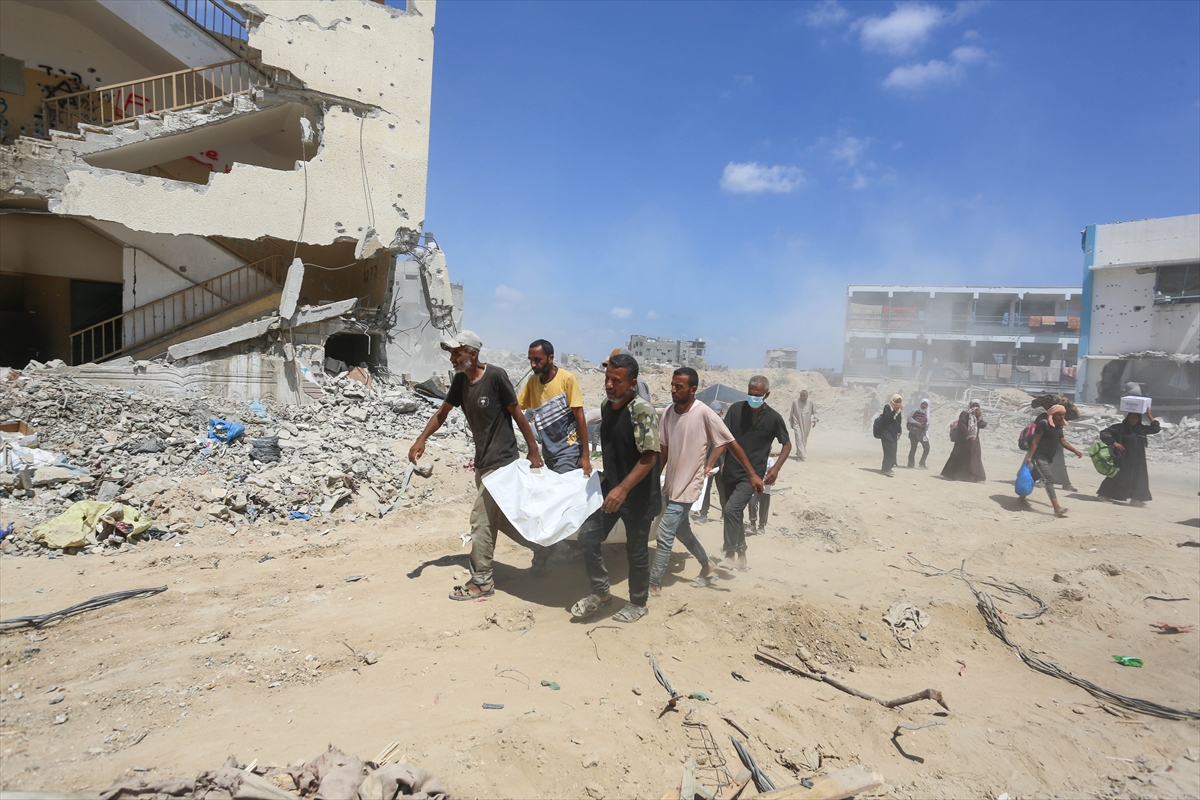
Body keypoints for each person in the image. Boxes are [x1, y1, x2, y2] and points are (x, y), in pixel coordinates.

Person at [408, 331, 548, 600]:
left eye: (456, 353)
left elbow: (517, 414)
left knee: (480, 518)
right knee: (502, 519)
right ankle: (542, 547)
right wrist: (421, 439)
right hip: (483, 462)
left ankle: (482, 580)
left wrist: (532, 450)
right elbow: (443, 412)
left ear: (472, 354)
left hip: (503, 462)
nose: (452, 358)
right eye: (450, 353)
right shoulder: (461, 380)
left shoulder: (495, 376)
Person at [649, 368, 762, 597]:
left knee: (664, 532)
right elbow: (664, 450)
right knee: (682, 530)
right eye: (672, 385)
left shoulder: (704, 413)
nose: (673, 390)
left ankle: (653, 583)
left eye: (678, 386)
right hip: (671, 484)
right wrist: (653, 481)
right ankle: (707, 565)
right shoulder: (669, 413)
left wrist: (752, 473)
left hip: (690, 485)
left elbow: (730, 442)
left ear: (693, 389)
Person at [571, 354, 661, 623]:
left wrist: (623, 489)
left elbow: (649, 457)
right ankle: (601, 593)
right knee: (587, 536)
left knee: (636, 551)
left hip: (638, 495)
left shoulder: (642, 410)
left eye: (617, 381)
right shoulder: (607, 407)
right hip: (611, 490)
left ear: (632, 384)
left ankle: (638, 603)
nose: (609, 385)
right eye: (607, 379)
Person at [718, 376, 790, 570]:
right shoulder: (735, 410)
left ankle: (730, 553)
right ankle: (742, 556)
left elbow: (787, 444)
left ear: (766, 394)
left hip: (753, 477)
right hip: (730, 471)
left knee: (731, 510)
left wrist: (776, 468)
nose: (752, 398)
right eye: (750, 394)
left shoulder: (774, 418)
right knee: (734, 514)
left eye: (757, 395)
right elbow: (723, 438)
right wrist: (721, 461)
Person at [520, 339, 591, 476]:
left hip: (569, 453)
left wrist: (585, 456)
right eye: (531, 360)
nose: (533, 365)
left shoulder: (567, 379)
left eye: (537, 360)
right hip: (549, 454)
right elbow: (516, 408)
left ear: (551, 358)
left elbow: (580, 417)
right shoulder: (532, 382)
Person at [1023, 404, 1083, 517]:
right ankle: (1057, 508)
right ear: (1053, 414)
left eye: (1063, 415)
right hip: (1039, 456)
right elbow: (1035, 442)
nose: (1062, 416)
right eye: (1059, 414)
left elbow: (1063, 441)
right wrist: (1030, 456)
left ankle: (1021, 497)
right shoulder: (1043, 424)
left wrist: (1075, 451)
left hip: (1048, 457)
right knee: (1049, 480)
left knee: (1034, 477)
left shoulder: (1058, 426)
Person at [1097, 410, 1161, 506]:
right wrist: (1115, 443)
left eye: (1135, 418)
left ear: (1139, 419)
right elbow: (1104, 433)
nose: (1132, 420)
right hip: (1123, 458)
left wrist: (1150, 416)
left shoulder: (1141, 429)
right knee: (1117, 476)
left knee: (1138, 479)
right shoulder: (1120, 428)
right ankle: (1103, 495)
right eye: (1131, 417)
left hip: (1138, 460)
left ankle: (1136, 499)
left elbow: (1155, 429)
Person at [940, 400, 987, 482]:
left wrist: (979, 416)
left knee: (973, 457)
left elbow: (982, 425)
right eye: (974, 405)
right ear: (970, 405)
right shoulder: (965, 413)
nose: (975, 407)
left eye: (977, 405)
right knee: (958, 456)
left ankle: (973, 476)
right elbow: (962, 425)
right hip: (963, 440)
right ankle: (950, 474)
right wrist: (969, 436)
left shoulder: (977, 415)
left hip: (974, 440)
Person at [747, 455, 776, 533]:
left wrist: (772, 479)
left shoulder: (770, 460)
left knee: (764, 507)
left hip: (766, 487)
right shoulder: (755, 458)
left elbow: (773, 472)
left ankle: (761, 526)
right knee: (752, 503)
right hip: (755, 486)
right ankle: (752, 523)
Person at [877, 394, 903, 476]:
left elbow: (899, 421)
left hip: (893, 433)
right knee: (889, 450)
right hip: (886, 432)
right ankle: (887, 469)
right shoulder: (887, 407)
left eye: (899, 402)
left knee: (893, 450)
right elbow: (888, 418)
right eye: (896, 401)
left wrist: (899, 431)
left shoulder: (899, 411)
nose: (897, 404)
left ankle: (885, 468)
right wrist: (894, 411)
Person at [788, 390, 818, 461]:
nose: (806, 397)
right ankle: (801, 456)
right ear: (800, 396)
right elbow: (791, 413)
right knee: (798, 438)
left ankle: (799, 453)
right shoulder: (795, 402)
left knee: (804, 439)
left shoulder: (810, 402)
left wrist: (815, 420)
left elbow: (815, 412)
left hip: (807, 424)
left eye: (807, 396)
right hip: (797, 423)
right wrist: (791, 422)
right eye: (804, 396)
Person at [906, 398, 932, 469]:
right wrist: (917, 423)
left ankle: (922, 463)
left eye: (926, 404)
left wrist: (925, 427)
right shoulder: (915, 410)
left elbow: (927, 422)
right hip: (913, 433)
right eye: (923, 404)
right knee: (913, 448)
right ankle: (910, 464)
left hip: (922, 433)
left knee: (927, 448)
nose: (924, 405)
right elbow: (909, 418)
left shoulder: (927, 413)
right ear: (920, 404)